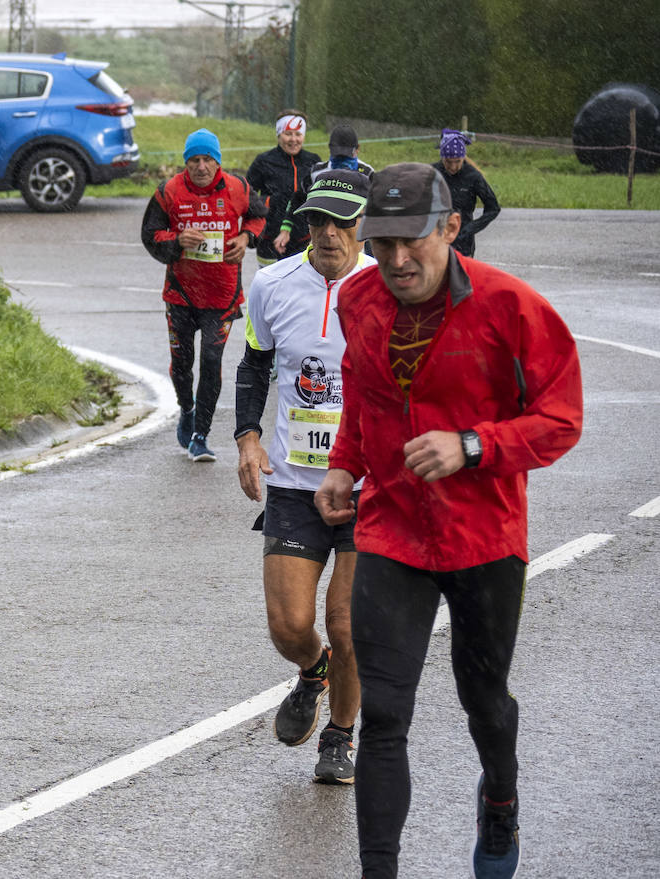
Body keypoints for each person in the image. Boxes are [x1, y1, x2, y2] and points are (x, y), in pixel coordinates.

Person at [313, 163, 582, 879]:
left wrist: (473, 446)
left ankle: (499, 798)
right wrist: (345, 462)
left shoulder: (512, 307)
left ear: (452, 227)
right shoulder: (360, 299)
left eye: (413, 242)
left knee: (483, 700)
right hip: (393, 529)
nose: (397, 261)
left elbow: (562, 419)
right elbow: (365, 398)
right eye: (381, 244)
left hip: (483, 535)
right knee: (386, 717)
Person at [234, 169, 377, 785]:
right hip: (295, 482)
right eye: (318, 220)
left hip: (371, 487)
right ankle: (312, 669)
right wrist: (247, 436)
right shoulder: (270, 284)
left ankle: (341, 737)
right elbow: (254, 363)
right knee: (290, 626)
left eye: (342, 222)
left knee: (347, 626)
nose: (329, 233)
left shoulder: (387, 288)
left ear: (361, 227)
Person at [143, 127, 265, 462]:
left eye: (208, 159)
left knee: (211, 362)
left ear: (218, 162)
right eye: (194, 160)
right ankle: (186, 408)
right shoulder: (169, 191)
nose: (201, 167)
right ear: (186, 163)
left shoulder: (238, 187)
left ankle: (201, 434)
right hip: (181, 295)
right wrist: (176, 240)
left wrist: (246, 239)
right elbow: (150, 234)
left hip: (223, 296)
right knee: (183, 364)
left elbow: (259, 217)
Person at [282, 124, 375, 249]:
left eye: (346, 155)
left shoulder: (368, 173)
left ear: (357, 149)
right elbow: (297, 199)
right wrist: (286, 228)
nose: (341, 159)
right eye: (337, 154)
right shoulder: (316, 172)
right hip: (325, 233)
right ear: (330, 149)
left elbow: (377, 209)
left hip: (356, 236)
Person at [246, 111, 320, 266]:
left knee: (300, 286)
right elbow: (246, 194)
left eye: (298, 134)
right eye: (288, 134)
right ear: (279, 135)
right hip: (269, 239)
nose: (293, 139)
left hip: (303, 239)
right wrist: (270, 202)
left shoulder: (313, 161)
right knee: (270, 287)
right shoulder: (263, 161)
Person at [433, 129, 500, 258]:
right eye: (448, 161)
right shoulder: (431, 173)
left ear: (463, 157)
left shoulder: (473, 176)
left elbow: (493, 208)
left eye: (457, 161)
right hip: (436, 239)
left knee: (460, 276)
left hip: (463, 243)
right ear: (442, 157)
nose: (453, 167)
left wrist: (471, 228)